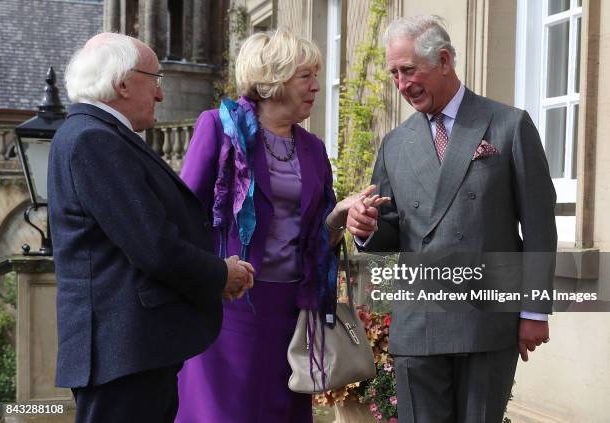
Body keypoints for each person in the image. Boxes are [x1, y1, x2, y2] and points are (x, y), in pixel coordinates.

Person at [344, 16, 557, 423]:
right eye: (393, 74)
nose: (402, 84)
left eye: (409, 70)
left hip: (487, 323)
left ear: (443, 60)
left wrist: (533, 311)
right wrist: (367, 227)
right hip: (418, 322)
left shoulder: (509, 126)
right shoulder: (394, 144)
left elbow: (540, 224)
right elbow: (390, 229)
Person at [174, 27, 383, 423]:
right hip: (229, 308)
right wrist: (209, 275)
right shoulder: (218, 128)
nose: (317, 86)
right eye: (305, 76)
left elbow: (317, 235)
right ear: (272, 79)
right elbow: (185, 216)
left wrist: (340, 216)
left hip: (291, 310)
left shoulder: (313, 149)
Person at [47, 33, 254, 423]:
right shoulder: (94, 139)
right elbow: (154, 247)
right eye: (155, 80)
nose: (160, 95)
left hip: (131, 352)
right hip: (123, 353)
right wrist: (220, 273)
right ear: (122, 82)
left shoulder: (96, 135)